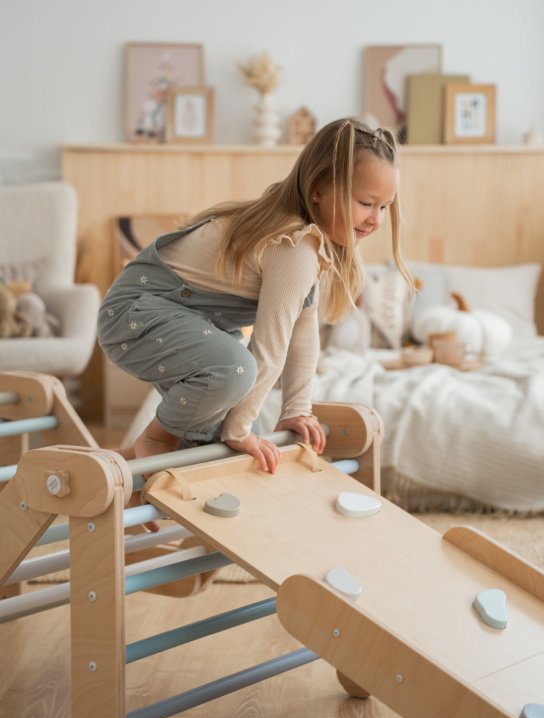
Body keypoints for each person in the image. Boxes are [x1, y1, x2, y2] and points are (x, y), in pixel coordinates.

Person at [97, 117, 413, 477]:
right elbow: (269, 348)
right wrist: (238, 429)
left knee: (225, 450)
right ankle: (156, 441)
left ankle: (124, 471)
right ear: (318, 188)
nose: (376, 220)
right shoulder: (293, 245)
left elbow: (302, 329)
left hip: (190, 322)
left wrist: (296, 409)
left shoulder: (312, 244)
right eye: (366, 203)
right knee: (235, 375)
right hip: (136, 310)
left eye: (385, 207)